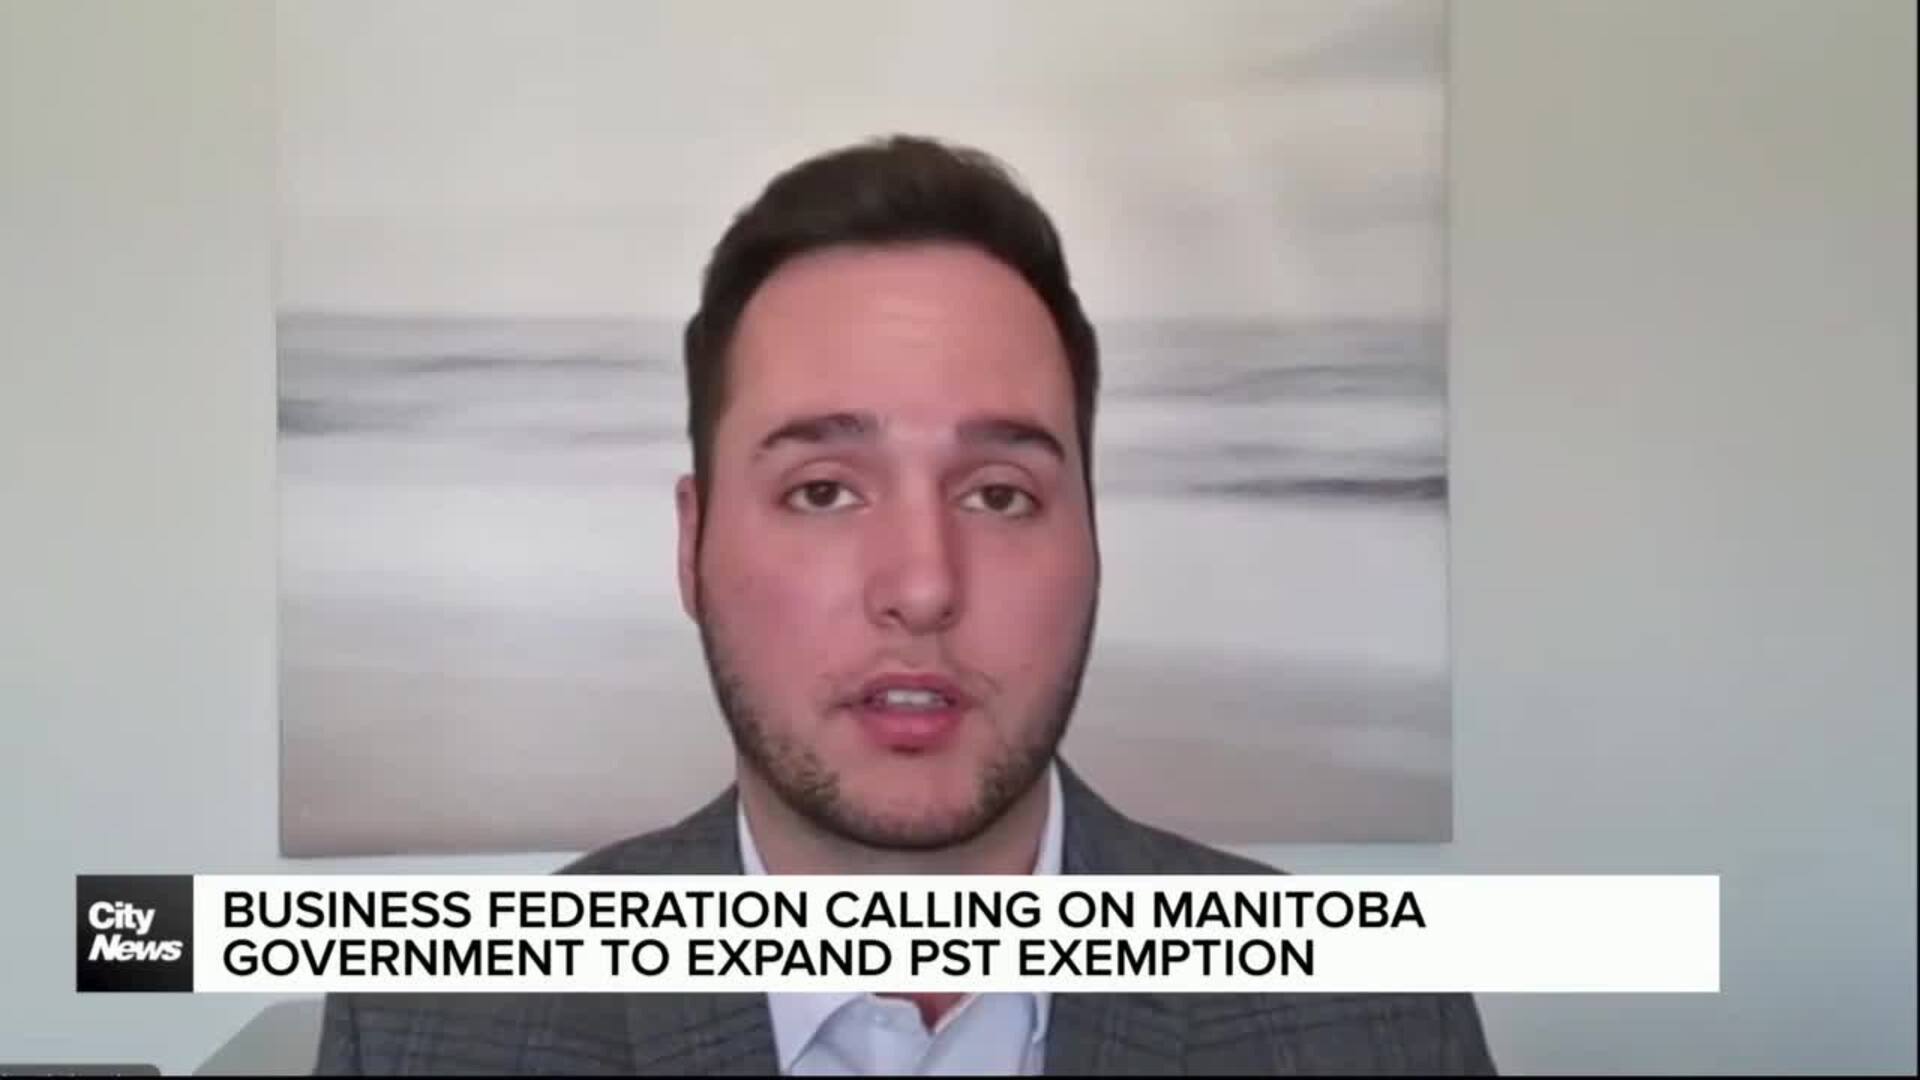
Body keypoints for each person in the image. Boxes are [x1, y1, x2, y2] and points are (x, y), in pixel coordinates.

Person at [315, 134, 1496, 1075]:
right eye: (824, 490)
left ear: (1094, 538)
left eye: (999, 494)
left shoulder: (1374, 1020)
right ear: (691, 546)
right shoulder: (434, 1032)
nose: (924, 587)